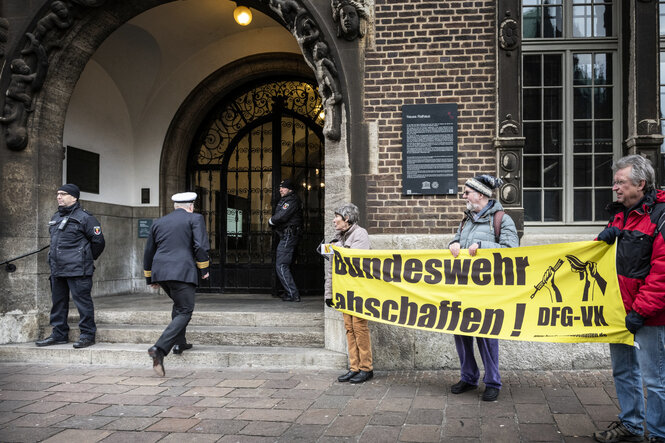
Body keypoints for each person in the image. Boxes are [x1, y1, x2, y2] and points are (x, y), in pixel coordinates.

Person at [592, 155, 665, 443]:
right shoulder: (620, 214)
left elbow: (661, 274)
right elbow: (603, 260)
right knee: (624, 371)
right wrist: (603, 239)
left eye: (620, 182)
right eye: (615, 182)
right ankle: (632, 424)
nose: (615, 188)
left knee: (655, 379)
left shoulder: (660, 217)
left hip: (649, 315)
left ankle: (659, 434)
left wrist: (640, 311)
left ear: (641, 183)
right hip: (618, 310)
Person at [448, 174, 519, 401]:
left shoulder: (501, 219)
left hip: (488, 289)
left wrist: (482, 247)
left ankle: (492, 381)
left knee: (487, 336)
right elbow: (455, 240)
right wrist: (454, 244)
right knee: (461, 332)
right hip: (464, 286)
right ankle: (468, 377)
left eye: (467, 192)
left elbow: (511, 249)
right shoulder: (466, 220)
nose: (464, 196)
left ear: (480, 195)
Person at [143, 192, 210, 376]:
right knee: (186, 310)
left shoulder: (159, 222)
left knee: (179, 305)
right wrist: (204, 268)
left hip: (161, 271)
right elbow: (201, 246)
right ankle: (159, 348)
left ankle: (180, 342)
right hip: (182, 271)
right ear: (191, 206)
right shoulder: (195, 218)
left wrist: (150, 277)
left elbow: (149, 250)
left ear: (175, 206)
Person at [36, 183, 105, 348]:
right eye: (58, 193)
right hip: (57, 269)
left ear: (74, 197)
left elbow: (99, 242)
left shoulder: (86, 218)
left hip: (78, 269)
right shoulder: (55, 217)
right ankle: (59, 334)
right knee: (58, 303)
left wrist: (86, 258)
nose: (59, 196)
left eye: (63, 194)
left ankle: (87, 335)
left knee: (83, 303)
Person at [325, 203, 374, 384]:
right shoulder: (339, 237)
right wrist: (329, 294)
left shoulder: (360, 234)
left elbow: (354, 261)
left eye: (336, 216)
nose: (334, 220)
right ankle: (354, 367)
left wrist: (335, 249)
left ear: (347, 218)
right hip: (344, 291)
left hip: (358, 291)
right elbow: (332, 270)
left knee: (360, 328)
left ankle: (366, 368)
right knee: (349, 328)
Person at [269, 178, 303, 302]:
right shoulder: (286, 199)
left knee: (281, 265)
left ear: (290, 189)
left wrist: (271, 221)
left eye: (283, 187)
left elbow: (283, 215)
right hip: (286, 235)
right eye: (280, 187)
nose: (280, 189)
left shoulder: (291, 200)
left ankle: (293, 294)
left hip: (289, 235)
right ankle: (289, 291)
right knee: (284, 264)